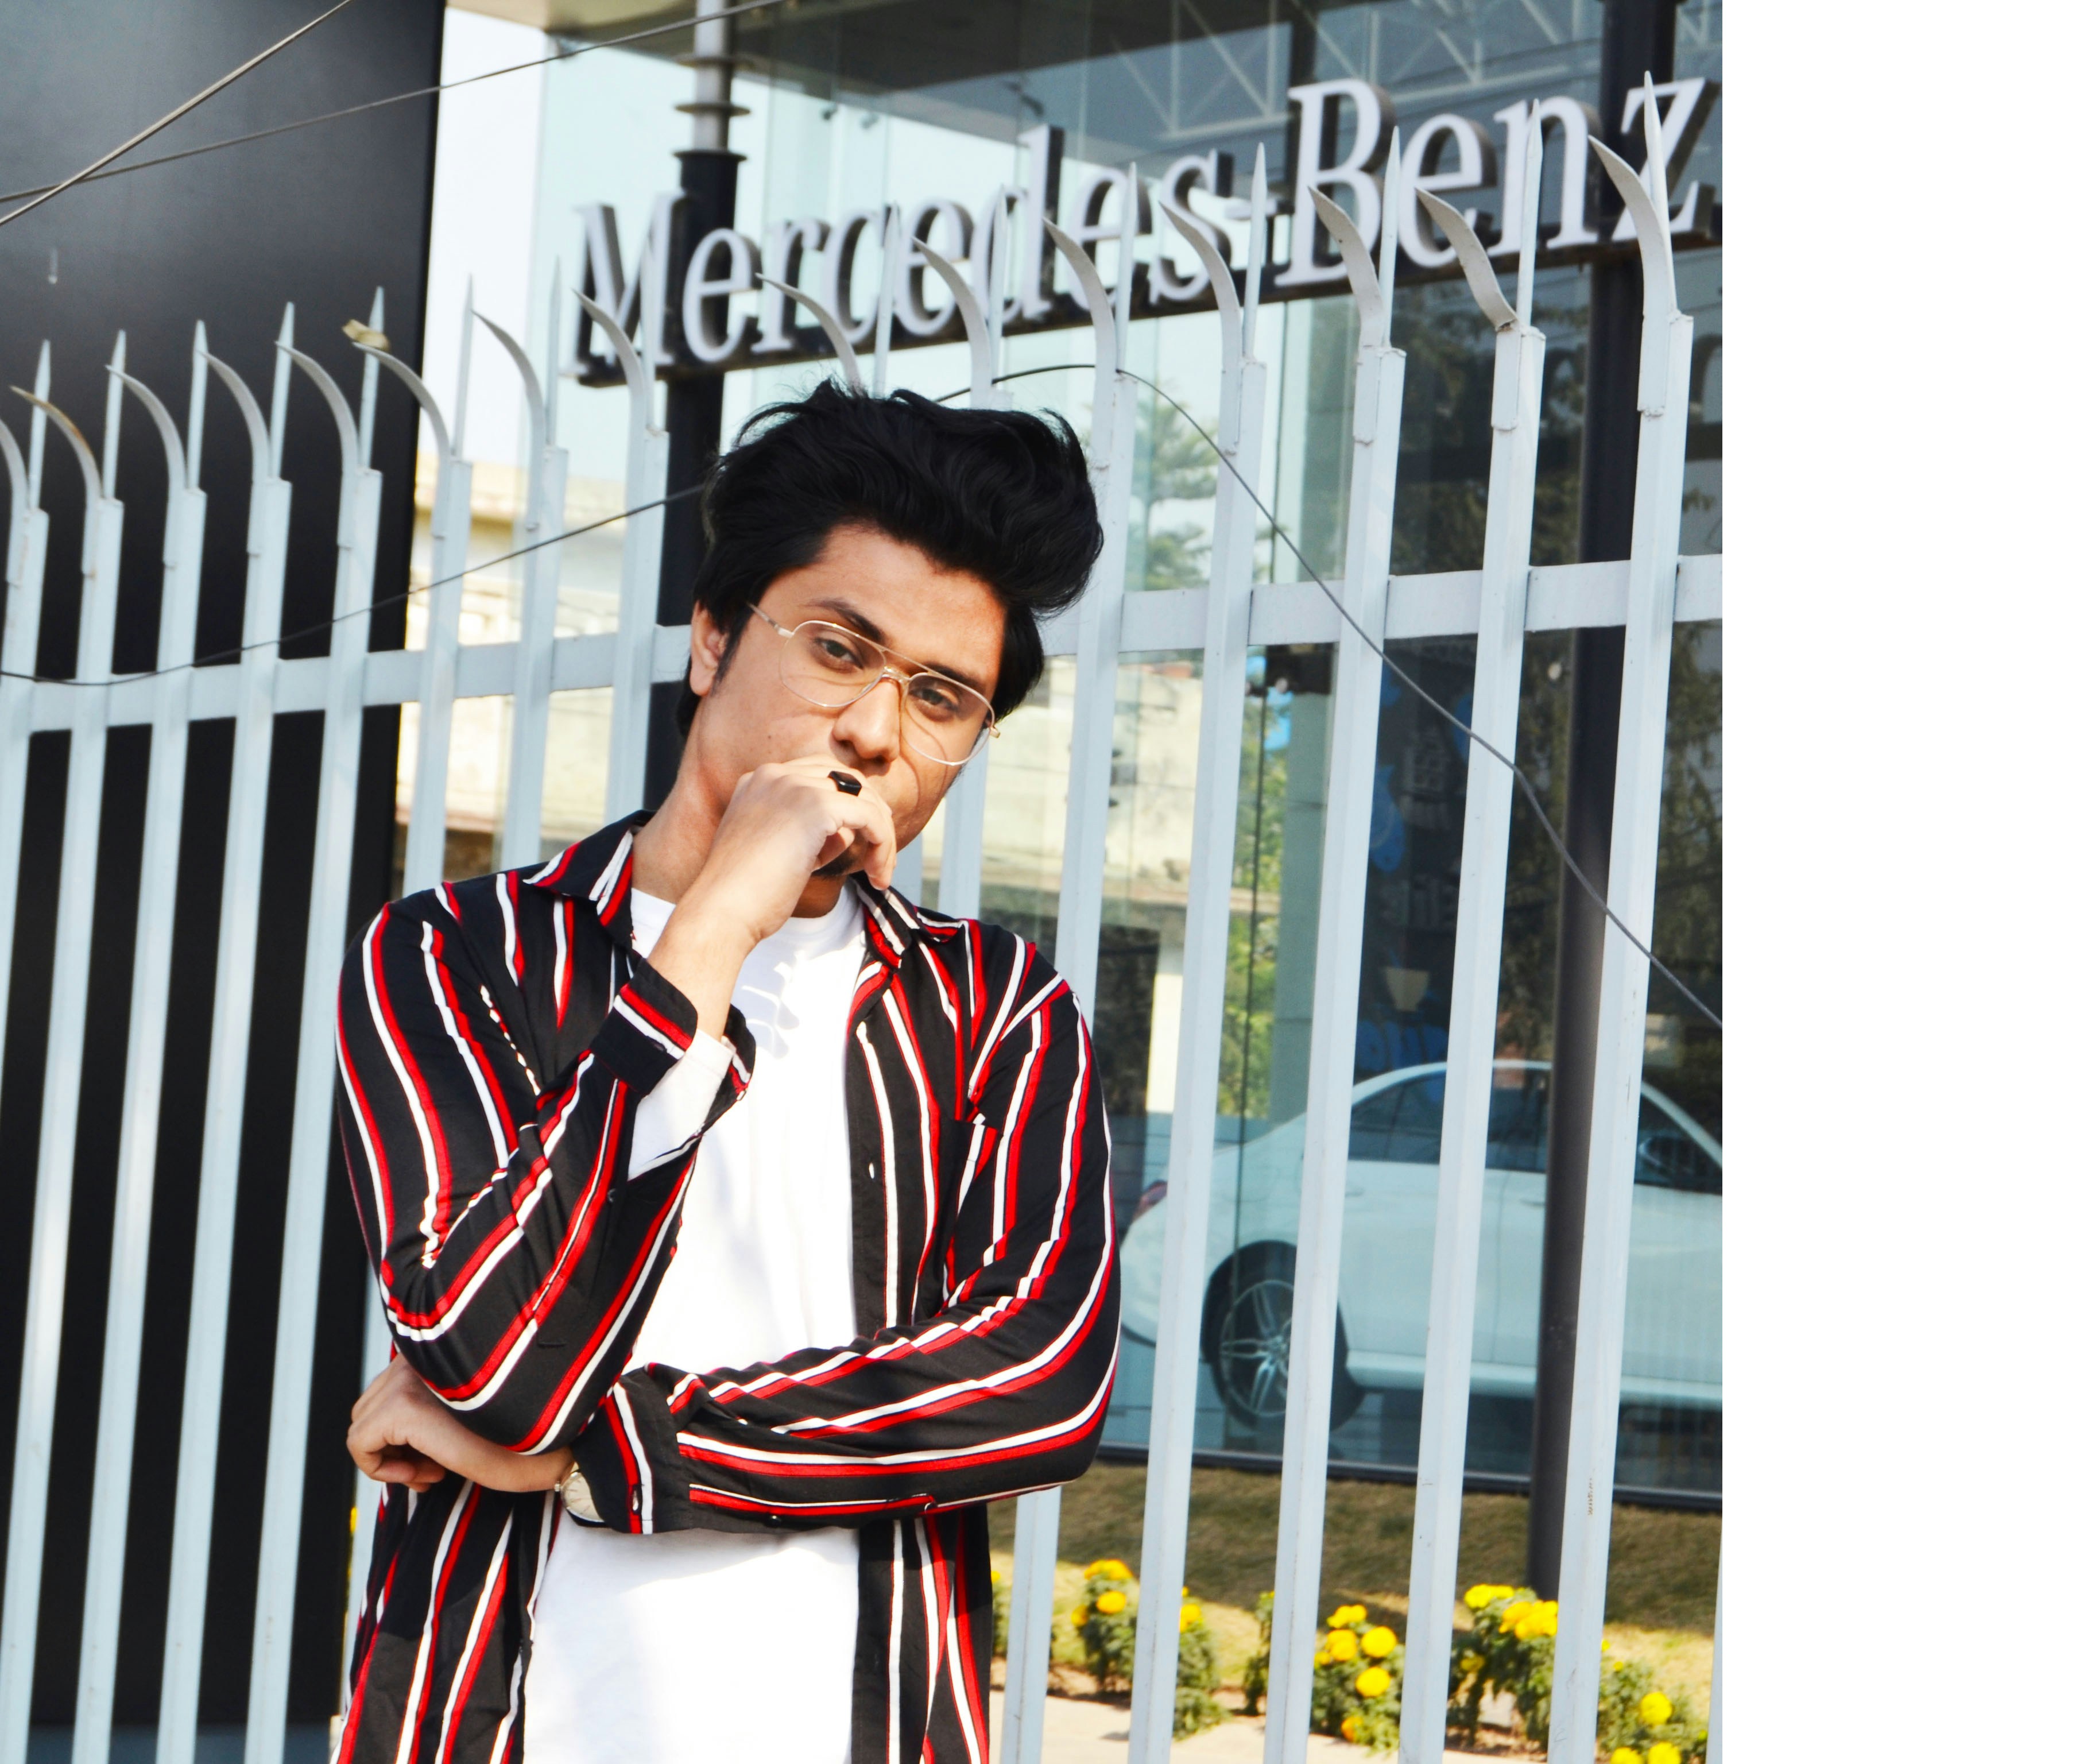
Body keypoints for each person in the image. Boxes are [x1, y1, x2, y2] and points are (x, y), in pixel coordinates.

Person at [332, 384, 1117, 1764]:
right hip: (501, 1717)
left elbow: (1038, 1378)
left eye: (941, 698)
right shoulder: (458, 953)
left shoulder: (994, 1008)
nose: (873, 731)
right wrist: (710, 933)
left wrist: (607, 1456)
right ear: (711, 637)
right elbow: (492, 1357)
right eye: (838, 649)